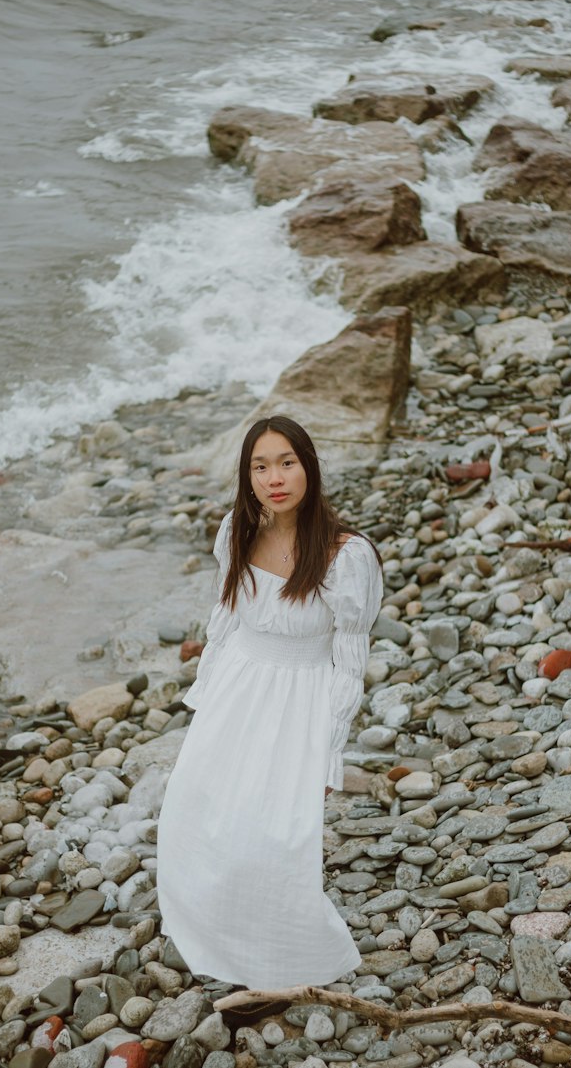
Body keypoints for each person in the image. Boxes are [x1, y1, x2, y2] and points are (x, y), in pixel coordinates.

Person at [156, 414, 383, 989]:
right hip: (237, 686)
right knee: (195, 806)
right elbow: (226, 619)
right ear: (247, 475)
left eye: (286, 462)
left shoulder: (344, 555)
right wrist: (205, 696)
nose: (274, 477)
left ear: (308, 467)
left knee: (277, 834)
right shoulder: (238, 530)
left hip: (299, 698)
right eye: (260, 466)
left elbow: (349, 663)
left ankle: (287, 957)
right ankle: (211, 932)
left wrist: (331, 750)